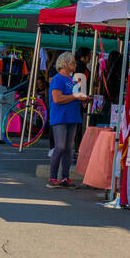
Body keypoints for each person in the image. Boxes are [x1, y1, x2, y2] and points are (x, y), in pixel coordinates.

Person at [47, 51, 89, 187]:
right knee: (60, 147)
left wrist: (83, 99)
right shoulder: (57, 79)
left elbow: (72, 96)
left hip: (72, 116)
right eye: (72, 62)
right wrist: (76, 97)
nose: (75, 64)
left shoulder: (71, 80)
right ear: (65, 63)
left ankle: (65, 177)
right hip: (60, 117)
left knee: (68, 148)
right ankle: (53, 177)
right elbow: (57, 98)